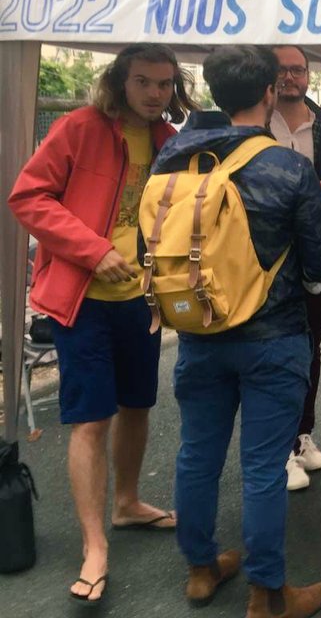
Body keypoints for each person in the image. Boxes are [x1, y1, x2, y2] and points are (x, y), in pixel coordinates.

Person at [7, 44, 194, 605]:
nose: (156, 93)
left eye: (164, 83)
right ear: (121, 81)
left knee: (138, 404)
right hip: (83, 298)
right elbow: (27, 196)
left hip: (142, 298)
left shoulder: (168, 141)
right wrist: (91, 250)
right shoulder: (78, 128)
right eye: (144, 81)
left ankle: (128, 503)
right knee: (91, 418)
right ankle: (94, 545)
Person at [155, 46, 321, 616]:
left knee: (197, 454)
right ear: (266, 93)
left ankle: (201, 570)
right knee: (262, 467)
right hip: (273, 338)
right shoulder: (286, 165)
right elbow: (319, 266)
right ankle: (267, 593)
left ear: (211, 88)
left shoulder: (173, 159)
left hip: (198, 333)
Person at [270, 44, 321, 492]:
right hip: (263, 257)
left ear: (308, 74)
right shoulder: (255, 125)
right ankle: (277, 446)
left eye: (297, 69)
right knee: (274, 349)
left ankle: (302, 434)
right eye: (281, 70)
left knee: (311, 346)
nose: (290, 77)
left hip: (318, 251)